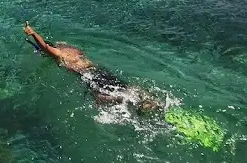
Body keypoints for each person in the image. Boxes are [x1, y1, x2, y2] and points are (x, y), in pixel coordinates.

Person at [24, 21, 161, 115]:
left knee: (100, 97)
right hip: (97, 69)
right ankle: (149, 98)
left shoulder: (58, 54)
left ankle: (130, 103)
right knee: (122, 85)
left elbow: (45, 47)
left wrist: (33, 34)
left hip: (88, 75)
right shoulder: (70, 49)